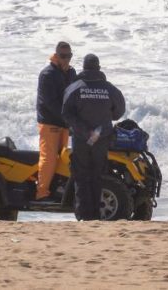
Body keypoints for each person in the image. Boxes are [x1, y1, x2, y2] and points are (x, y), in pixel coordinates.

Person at [62, 54, 126, 221]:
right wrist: (103, 121)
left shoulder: (75, 88)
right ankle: (96, 216)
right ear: (98, 68)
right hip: (101, 139)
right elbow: (119, 112)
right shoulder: (110, 89)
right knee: (97, 176)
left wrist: (84, 130)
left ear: (84, 68)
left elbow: (66, 113)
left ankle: (84, 216)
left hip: (82, 139)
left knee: (81, 176)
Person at [35, 41, 77, 202]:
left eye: (69, 56)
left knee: (63, 157)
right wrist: (69, 119)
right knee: (49, 157)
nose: (66, 59)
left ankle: (57, 190)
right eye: (63, 56)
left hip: (64, 122)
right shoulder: (47, 74)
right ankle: (42, 192)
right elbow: (50, 103)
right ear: (56, 55)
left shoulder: (71, 73)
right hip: (50, 122)